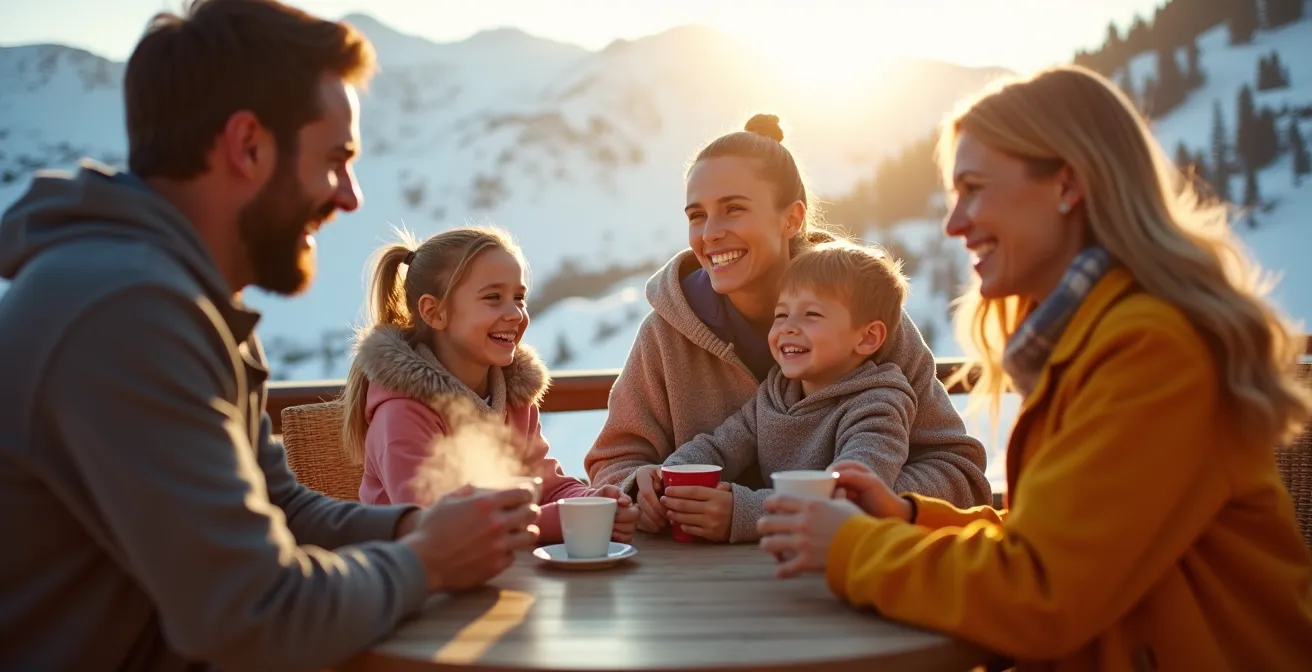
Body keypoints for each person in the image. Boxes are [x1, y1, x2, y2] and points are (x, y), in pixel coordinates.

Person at [0, 1, 538, 670]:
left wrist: (411, 526)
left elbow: (275, 507)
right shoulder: (123, 311)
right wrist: (424, 561)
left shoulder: (189, 302)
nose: (350, 197)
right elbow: (252, 617)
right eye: (335, 159)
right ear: (247, 145)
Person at [756, 65, 1312, 669]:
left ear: (1066, 184)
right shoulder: (1095, 338)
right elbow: (1060, 540)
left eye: (974, 189)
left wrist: (852, 548)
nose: (954, 223)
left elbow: (1042, 593)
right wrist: (912, 518)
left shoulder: (1151, 351)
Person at [584, 113, 991, 541]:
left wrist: (869, 503)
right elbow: (614, 462)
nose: (711, 233)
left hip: (843, 577)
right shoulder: (667, 333)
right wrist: (640, 489)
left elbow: (960, 475)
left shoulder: (863, 318)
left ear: (792, 219)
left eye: (734, 209)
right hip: (697, 591)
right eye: (697, 215)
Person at [340, 227, 639, 543]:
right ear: (434, 312)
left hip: (505, 576)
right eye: (493, 298)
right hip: (419, 585)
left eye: (519, 298)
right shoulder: (401, 414)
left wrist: (595, 501)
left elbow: (549, 486)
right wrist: (569, 519)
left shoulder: (512, 397)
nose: (515, 313)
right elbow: (443, 527)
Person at [632, 240, 918, 542]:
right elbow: (720, 446)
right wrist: (667, 476)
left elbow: (848, 499)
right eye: (781, 315)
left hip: (843, 568)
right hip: (777, 557)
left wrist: (742, 512)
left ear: (867, 337)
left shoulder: (878, 405)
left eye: (812, 315)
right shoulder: (777, 392)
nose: (788, 328)